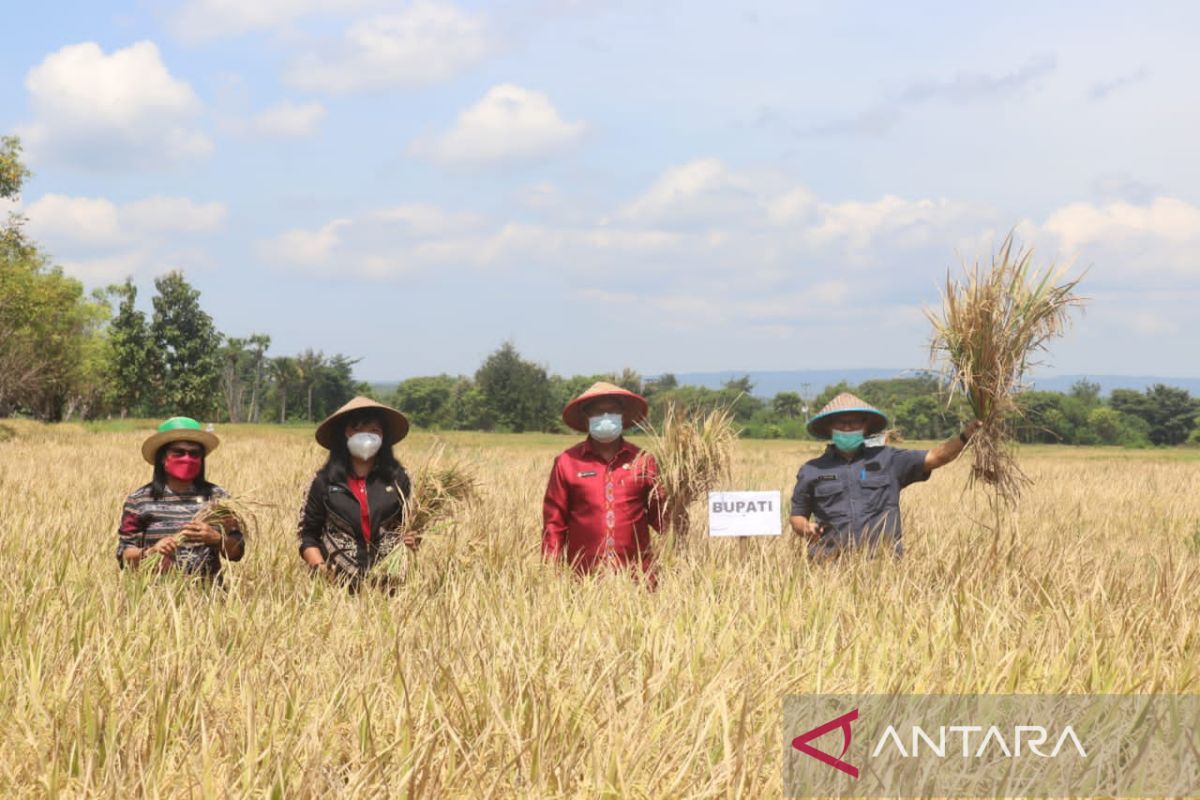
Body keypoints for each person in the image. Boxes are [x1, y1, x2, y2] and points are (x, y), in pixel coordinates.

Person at [789, 392, 982, 559]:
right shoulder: (812, 470)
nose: (847, 427)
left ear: (865, 427)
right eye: (841, 423)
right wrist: (805, 528)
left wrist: (965, 436)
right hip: (829, 565)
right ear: (829, 428)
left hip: (882, 566)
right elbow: (797, 516)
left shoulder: (888, 459)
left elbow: (935, 458)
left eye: (854, 422)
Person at [542, 382, 664, 581]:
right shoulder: (568, 462)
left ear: (622, 417)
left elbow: (663, 519)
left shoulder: (643, 461)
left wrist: (680, 495)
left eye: (612, 411)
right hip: (583, 579)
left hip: (637, 580)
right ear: (586, 418)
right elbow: (554, 523)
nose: (606, 417)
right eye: (599, 412)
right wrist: (549, 572)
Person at [297, 396, 415, 587]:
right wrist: (320, 569)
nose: (366, 436)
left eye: (374, 430)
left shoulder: (399, 480)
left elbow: (411, 525)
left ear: (383, 437)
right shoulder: (323, 482)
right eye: (357, 429)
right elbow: (307, 534)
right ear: (344, 434)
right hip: (336, 584)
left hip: (388, 582)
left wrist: (413, 539)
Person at [116, 417, 245, 578]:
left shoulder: (218, 498)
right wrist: (151, 551)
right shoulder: (139, 500)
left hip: (209, 598)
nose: (187, 458)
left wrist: (217, 539)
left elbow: (237, 552)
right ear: (163, 457)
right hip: (156, 598)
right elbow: (124, 556)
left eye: (194, 453)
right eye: (179, 452)